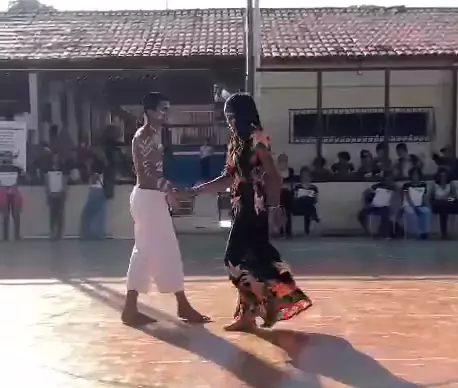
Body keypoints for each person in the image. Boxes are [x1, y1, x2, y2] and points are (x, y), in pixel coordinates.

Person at [194, 92, 311, 331]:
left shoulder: (258, 139)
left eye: (231, 116)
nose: (229, 121)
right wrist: (199, 190)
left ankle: (266, 299)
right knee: (253, 258)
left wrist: (275, 207)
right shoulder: (235, 142)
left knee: (233, 259)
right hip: (240, 204)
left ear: (242, 115)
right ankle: (248, 316)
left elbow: (273, 175)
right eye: (227, 117)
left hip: (255, 207)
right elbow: (229, 177)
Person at [121, 92, 208, 327]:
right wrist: (170, 190)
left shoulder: (153, 136)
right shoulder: (144, 137)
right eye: (163, 109)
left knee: (154, 250)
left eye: (168, 108)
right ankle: (177, 305)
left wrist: (168, 192)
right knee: (154, 250)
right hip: (148, 199)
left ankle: (142, 307)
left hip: (151, 199)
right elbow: (146, 173)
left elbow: (151, 174)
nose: (166, 113)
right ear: (150, 111)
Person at [430, 168, 458, 239]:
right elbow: (431, 198)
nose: (443, 178)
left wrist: (449, 200)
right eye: (441, 176)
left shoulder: (450, 184)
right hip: (437, 204)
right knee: (443, 209)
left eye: (445, 176)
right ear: (438, 176)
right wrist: (442, 200)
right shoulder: (435, 185)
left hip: (448, 203)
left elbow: (454, 197)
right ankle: (444, 233)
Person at [358, 173, 398, 238]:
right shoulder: (376, 186)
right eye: (386, 179)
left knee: (385, 214)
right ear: (383, 179)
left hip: (385, 207)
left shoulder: (394, 188)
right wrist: (367, 203)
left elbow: (396, 199)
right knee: (361, 214)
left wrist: (393, 207)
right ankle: (368, 231)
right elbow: (367, 194)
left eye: (390, 179)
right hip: (373, 206)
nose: (388, 181)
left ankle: (385, 233)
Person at [79, 166, 107, 240]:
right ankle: (97, 234)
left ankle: (87, 234)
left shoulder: (95, 176)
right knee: (98, 216)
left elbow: (93, 182)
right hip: (99, 194)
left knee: (86, 216)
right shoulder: (102, 177)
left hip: (95, 193)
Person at [402, 168, 430, 239]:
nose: (415, 176)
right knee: (412, 212)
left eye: (417, 174)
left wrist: (427, 205)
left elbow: (424, 196)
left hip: (420, 205)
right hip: (409, 205)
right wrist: (414, 207)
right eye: (414, 174)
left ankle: (424, 232)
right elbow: (407, 197)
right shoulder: (406, 185)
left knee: (426, 211)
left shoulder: (423, 185)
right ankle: (416, 232)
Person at [45, 153, 68, 240]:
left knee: (60, 214)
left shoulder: (63, 169)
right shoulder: (48, 169)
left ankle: (60, 233)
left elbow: (65, 181)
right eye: (54, 157)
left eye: (57, 158)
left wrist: (64, 192)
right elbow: (46, 181)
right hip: (52, 195)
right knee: (52, 215)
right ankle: (52, 233)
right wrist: (48, 193)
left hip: (60, 194)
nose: (55, 159)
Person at [0, 156, 22, 241]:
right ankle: (6, 236)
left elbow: (23, 177)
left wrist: (14, 186)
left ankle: (16, 235)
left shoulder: (16, 168)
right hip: (3, 194)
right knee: (6, 215)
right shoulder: (1, 168)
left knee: (16, 214)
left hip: (14, 193)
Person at [292, 166, 320, 236]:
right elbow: (294, 198)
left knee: (308, 203)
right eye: (304, 175)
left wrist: (308, 198)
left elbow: (315, 200)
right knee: (307, 200)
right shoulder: (297, 187)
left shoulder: (314, 188)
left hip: (308, 207)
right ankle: (314, 216)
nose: (305, 177)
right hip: (298, 206)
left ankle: (307, 231)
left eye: (307, 175)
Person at [277, 153, 295, 238]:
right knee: (281, 210)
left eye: (284, 161)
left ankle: (288, 231)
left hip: (288, 193)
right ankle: (281, 230)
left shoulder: (290, 171)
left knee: (288, 211)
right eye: (281, 161)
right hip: (279, 194)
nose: (283, 163)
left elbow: (291, 183)